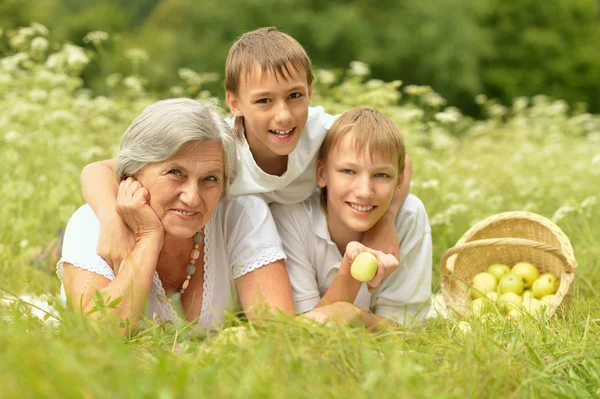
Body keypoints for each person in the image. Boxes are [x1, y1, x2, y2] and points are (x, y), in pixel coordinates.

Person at [78, 27, 410, 288]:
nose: (283, 116)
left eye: (294, 96)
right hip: (238, 241)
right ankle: (54, 248)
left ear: (309, 92)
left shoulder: (323, 132)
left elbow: (397, 161)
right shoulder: (221, 146)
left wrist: (386, 221)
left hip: (292, 240)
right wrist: (109, 222)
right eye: (264, 101)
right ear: (235, 103)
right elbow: (98, 170)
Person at [57, 99, 296, 331]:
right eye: (175, 172)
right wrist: (149, 237)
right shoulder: (90, 224)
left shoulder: (243, 216)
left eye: (210, 178)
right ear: (132, 173)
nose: (192, 197)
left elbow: (277, 330)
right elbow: (96, 335)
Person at [271, 108, 432, 330]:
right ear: (322, 174)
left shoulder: (409, 216)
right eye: (348, 171)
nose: (365, 191)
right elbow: (303, 331)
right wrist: (349, 278)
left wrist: (354, 315)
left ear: (399, 181)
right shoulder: (291, 217)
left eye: (381, 175)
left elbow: (407, 329)